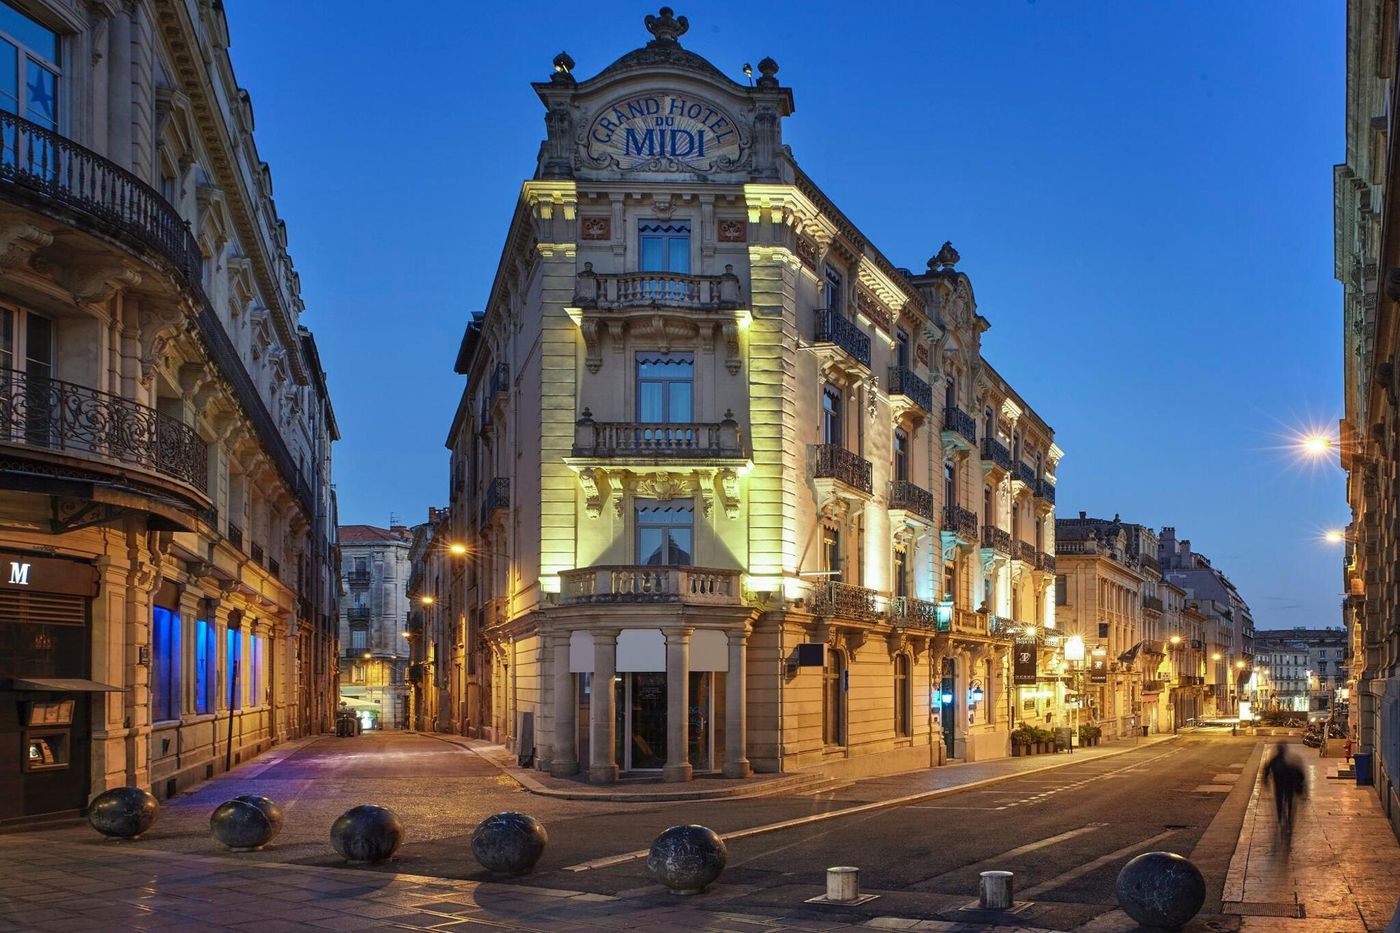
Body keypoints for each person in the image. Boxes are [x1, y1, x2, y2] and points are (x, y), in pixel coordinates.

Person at [1262, 744, 1307, 845]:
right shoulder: (1290, 760)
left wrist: (1265, 780)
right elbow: (1300, 774)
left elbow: (1266, 770)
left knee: (1280, 802)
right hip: (1289, 786)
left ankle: (1281, 818)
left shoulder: (1274, 760)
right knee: (1289, 801)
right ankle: (1288, 818)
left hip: (1279, 786)